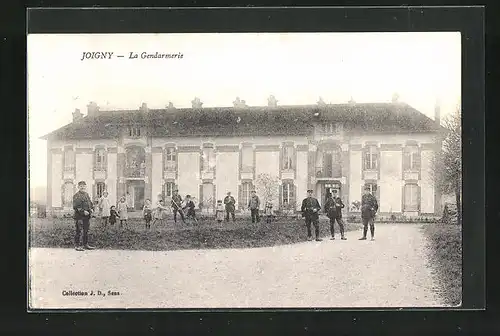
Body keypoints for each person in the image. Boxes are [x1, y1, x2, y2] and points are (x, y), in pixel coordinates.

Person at [72, 181, 95, 251]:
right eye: (81, 186)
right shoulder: (76, 195)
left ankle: (85, 244)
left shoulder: (86, 194)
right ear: (78, 187)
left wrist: (92, 209)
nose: (82, 187)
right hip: (79, 217)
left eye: (84, 186)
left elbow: (90, 203)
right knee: (79, 230)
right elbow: (76, 206)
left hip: (87, 216)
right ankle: (77, 246)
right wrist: (83, 211)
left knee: (86, 231)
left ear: (85, 187)